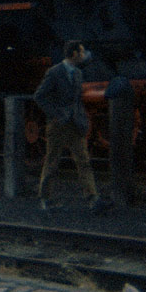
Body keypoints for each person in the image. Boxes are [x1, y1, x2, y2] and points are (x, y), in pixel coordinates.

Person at [33, 40, 112, 214]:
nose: (84, 55)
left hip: (75, 123)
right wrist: (56, 114)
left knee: (83, 160)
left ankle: (93, 198)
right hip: (58, 125)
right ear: (74, 54)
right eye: (82, 52)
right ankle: (45, 197)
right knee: (52, 161)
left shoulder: (77, 74)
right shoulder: (54, 73)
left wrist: (81, 118)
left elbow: (77, 100)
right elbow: (39, 96)